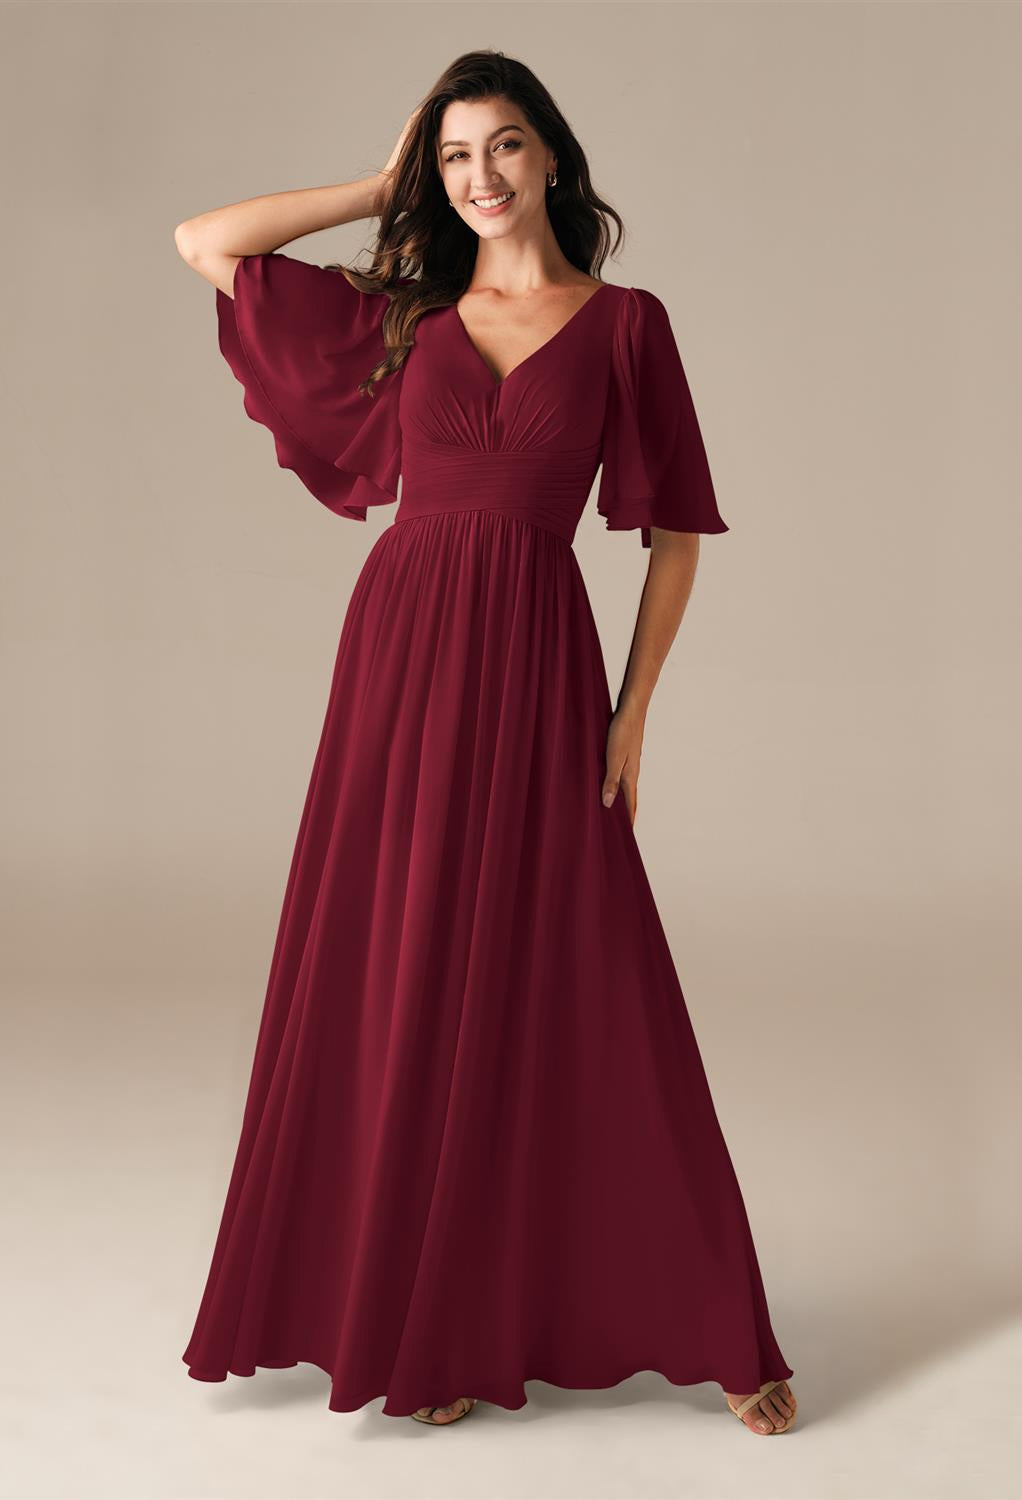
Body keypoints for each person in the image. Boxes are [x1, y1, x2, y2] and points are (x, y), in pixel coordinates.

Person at [173, 49, 797, 1437]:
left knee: (575, 967)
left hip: (533, 659)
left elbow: (676, 535)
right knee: (395, 956)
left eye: (504, 148)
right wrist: (375, 182)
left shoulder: (627, 324)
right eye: (455, 159)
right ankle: (424, 1329)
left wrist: (631, 715)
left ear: (552, 159)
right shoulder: (402, 314)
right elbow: (204, 242)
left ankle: (715, 1321)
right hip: (398, 660)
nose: (482, 178)